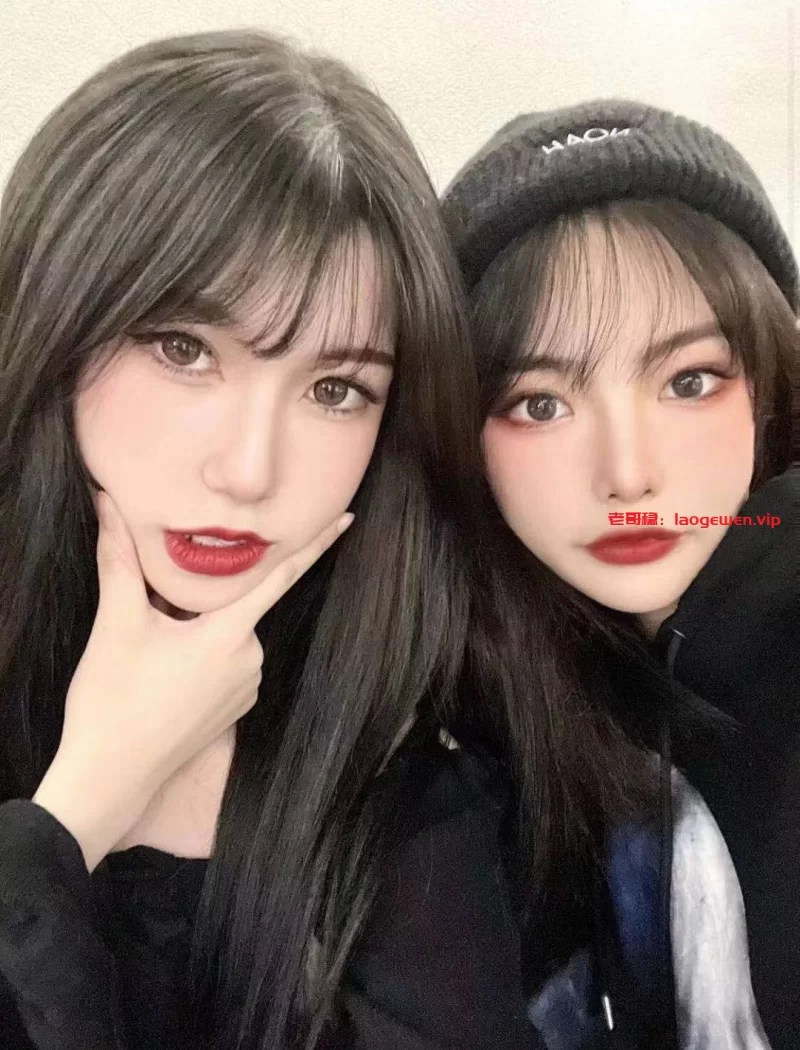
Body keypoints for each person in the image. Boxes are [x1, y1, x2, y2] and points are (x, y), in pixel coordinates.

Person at [0, 29, 547, 1050]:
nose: (250, 470)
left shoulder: (409, 783)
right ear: (55, 325)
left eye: (334, 389)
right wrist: (79, 810)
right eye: (184, 349)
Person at [443, 100, 799, 1048]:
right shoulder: (448, 742)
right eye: (540, 403)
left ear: (772, 381)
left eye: (689, 380)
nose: (628, 476)